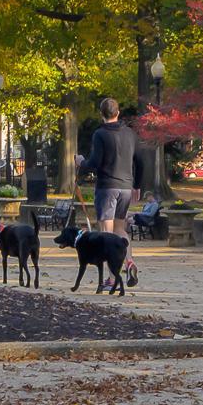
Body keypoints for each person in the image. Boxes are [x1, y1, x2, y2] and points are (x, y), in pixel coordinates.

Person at [82, 98, 139, 281]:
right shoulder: (130, 134)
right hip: (126, 187)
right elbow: (140, 161)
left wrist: (81, 162)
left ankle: (112, 277)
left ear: (101, 114)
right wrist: (136, 185)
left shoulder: (100, 134)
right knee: (120, 229)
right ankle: (129, 260)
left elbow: (95, 162)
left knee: (106, 232)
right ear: (118, 112)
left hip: (107, 186)